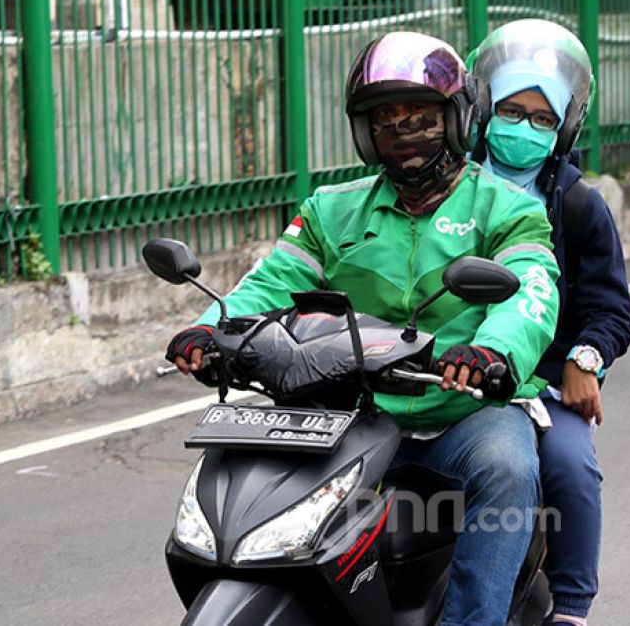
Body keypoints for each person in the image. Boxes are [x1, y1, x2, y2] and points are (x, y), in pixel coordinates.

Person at [165, 32, 561, 626]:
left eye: (420, 117)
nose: (403, 132)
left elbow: (532, 290)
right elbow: (269, 283)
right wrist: (208, 329)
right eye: (386, 120)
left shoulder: (508, 209)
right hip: (353, 411)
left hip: (459, 410)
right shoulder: (332, 209)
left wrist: (491, 351)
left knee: (508, 468)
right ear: (365, 132)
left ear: (455, 121)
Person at [470, 20, 630, 626]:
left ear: (565, 126)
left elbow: (610, 308)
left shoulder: (576, 204)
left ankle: (570, 608)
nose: (523, 128)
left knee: (570, 466)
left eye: (543, 118)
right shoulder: (441, 189)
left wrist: (583, 360)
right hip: (433, 374)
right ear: (481, 108)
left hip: (538, 385)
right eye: (511, 111)